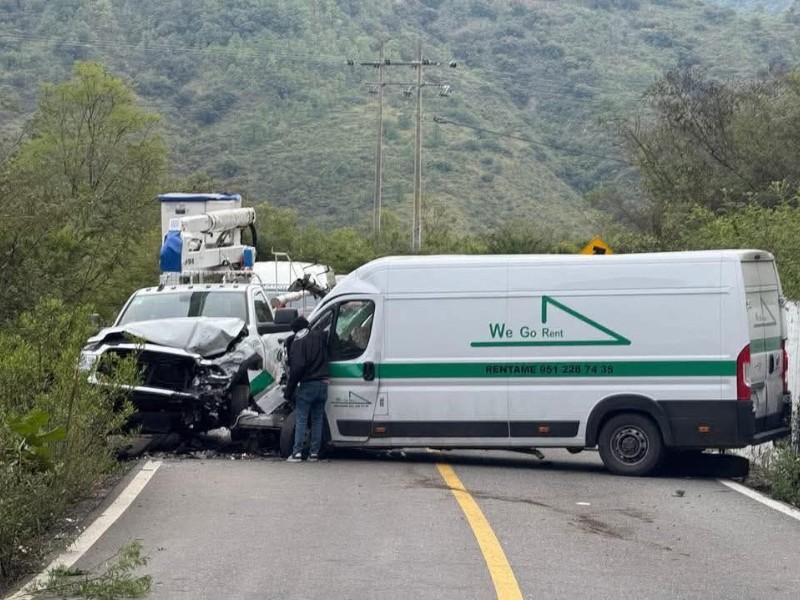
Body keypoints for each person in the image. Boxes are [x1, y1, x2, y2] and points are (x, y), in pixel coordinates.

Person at [283, 316, 329, 462]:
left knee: (301, 418)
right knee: (317, 419)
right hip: (323, 384)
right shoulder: (320, 336)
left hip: (308, 385)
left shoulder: (298, 342)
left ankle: (296, 453)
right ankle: (314, 453)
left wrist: (288, 391)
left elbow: (297, 368)